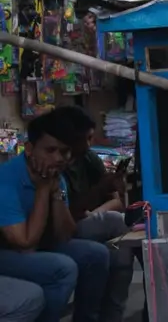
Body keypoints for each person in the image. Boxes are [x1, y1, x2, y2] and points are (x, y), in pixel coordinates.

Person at [0, 110, 109, 322]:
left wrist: (56, 193)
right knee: (62, 269)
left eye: (64, 152)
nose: (58, 158)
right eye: (50, 150)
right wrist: (42, 191)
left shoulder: (54, 177)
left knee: (96, 254)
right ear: (30, 149)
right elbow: (24, 242)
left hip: (35, 246)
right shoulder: (6, 179)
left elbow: (65, 234)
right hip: (5, 252)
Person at [52, 106, 133, 322]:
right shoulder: (57, 163)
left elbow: (116, 201)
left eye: (90, 138)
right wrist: (97, 195)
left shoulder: (88, 159)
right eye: (83, 139)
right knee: (116, 226)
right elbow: (64, 218)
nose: (88, 145)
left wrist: (94, 214)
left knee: (118, 245)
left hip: (86, 220)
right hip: (64, 228)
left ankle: (112, 315)